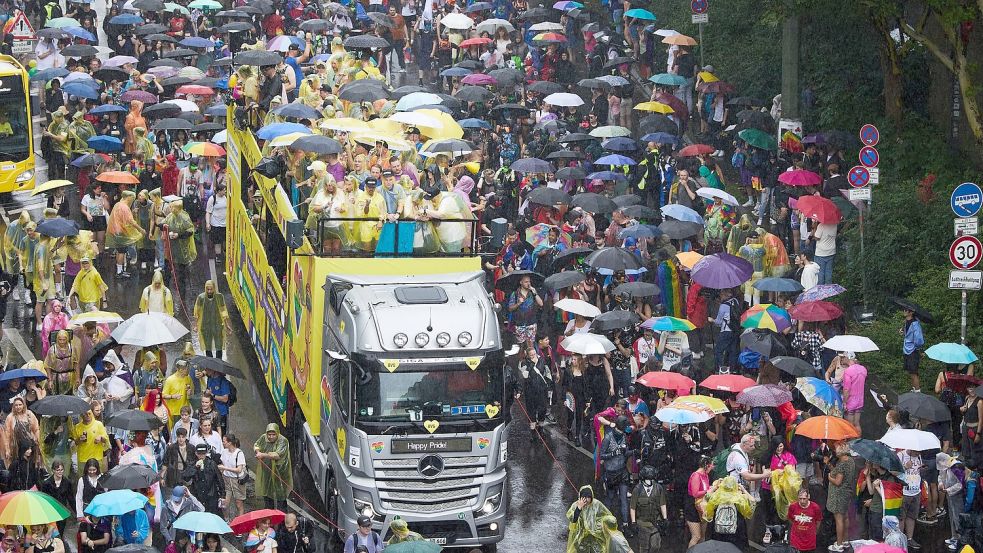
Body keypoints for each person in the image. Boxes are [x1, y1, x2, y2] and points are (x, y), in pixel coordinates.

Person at [599, 415, 631, 528]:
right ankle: (604, 522)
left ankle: (626, 524)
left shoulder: (624, 437)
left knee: (624, 499)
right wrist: (613, 453)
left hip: (622, 472)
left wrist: (633, 452)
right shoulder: (608, 437)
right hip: (611, 473)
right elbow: (601, 455)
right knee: (610, 497)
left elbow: (626, 453)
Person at [826, 442, 858, 552]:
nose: (835, 451)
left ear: (841, 450)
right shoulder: (850, 461)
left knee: (839, 519)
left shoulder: (842, 463)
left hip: (839, 495)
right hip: (847, 493)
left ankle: (839, 545)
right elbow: (839, 473)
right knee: (845, 517)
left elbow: (838, 481)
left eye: (836, 448)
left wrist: (829, 478)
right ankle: (845, 540)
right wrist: (830, 465)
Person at [517, 345, 552, 439]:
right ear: (528, 355)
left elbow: (548, 374)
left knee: (542, 409)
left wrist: (549, 387)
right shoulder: (524, 363)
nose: (533, 356)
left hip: (542, 390)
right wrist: (519, 390)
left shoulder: (542, 361)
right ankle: (533, 432)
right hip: (530, 391)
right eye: (531, 355)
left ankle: (541, 428)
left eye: (534, 354)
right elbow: (523, 377)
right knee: (531, 410)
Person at [254, 423, 291, 511]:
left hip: (280, 471)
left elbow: (277, 455)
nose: (271, 437)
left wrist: (262, 454)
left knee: (280, 494)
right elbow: (257, 444)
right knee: (267, 493)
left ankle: (281, 517)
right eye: (269, 434)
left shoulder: (283, 441)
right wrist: (257, 451)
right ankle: (269, 515)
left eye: (273, 434)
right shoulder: (264, 437)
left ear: (277, 433)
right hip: (267, 470)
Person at [629, 465, 667, 553]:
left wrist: (665, 518)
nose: (650, 481)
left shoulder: (658, 488)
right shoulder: (637, 489)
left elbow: (662, 504)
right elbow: (632, 507)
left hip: (655, 523)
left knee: (656, 545)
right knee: (644, 548)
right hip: (642, 524)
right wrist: (634, 522)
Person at [182, 443, 225, 516]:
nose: (201, 456)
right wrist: (195, 468)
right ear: (196, 453)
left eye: (203, 454)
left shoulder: (212, 463)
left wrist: (222, 495)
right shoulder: (192, 463)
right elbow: (186, 477)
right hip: (197, 494)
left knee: (212, 516)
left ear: (206, 453)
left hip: (211, 495)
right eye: (199, 454)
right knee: (197, 515)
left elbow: (219, 480)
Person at [566, 486, 612, 553]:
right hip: (580, 537)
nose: (586, 501)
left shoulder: (596, 504)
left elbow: (606, 515)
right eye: (585, 498)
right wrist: (578, 508)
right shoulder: (575, 505)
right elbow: (573, 519)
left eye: (589, 498)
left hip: (594, 536)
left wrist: (599, 526)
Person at [193, 280, 231, 359]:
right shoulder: (201, 298)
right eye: (208, 289)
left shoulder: (219, 297)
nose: (209, 291)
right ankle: (210, 362)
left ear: (214, 288)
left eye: (211, 289)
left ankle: (218, 362)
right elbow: (197, 312)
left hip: (218, 325)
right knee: (207, 345)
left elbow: (223, 311)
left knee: (219, 345)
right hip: (205, 326)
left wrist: (227, 325)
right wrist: (196, 325)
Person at [507, 275, 543, 348]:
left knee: (531, 344)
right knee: (521, 345)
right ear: (521, 282)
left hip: (531, 322)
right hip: (519, 322)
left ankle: (532, 358)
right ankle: (522, 359)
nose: (528, 283)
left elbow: (541, 303)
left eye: (529, 281)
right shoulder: (515, 294)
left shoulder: (532, 293)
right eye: (526, 282)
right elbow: (510, 308)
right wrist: (518, 303)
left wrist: (535, 292)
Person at [686, 456, 713, 547]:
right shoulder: (696, 476)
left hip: (703, 506)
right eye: (711, 466)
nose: (712, 468)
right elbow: (695, 493)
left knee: (702, 536)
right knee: (696, 536)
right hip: (693, 507)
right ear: (707, 466)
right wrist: (708, 491)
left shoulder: (706, 475)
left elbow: (707, 489)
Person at [72, 406, 109, 471]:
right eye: (85, 414)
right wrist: (79, 439)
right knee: (83, 479)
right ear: (82, 415)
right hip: (83, 459)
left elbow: (105, 440)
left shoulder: (98, 424)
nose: (88, 416)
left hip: (96, 458)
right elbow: (75, 442)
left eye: (89, 413)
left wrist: (100, 438)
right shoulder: (77, 427)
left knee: (96, 479)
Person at [787, 488, 822, 553]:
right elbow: (790, 519)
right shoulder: (792, 507)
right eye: (800, 498)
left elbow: (818, 521)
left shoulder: (815, 508)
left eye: (804, 498)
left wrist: (814, 532)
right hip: (796, 540)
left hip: (809, 541)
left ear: (808, 496)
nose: (802, 501)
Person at [162, 360, 193, 427]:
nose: (188, 371)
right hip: (173, 412)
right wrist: (173, 396)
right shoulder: (170, 380)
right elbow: (163, 395)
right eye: (186, 369)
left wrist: (189, 393)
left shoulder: (188, 378)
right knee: (174, 432)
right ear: (180, 369)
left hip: (185, 411)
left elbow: (191, 394)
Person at [901, 307, 925, 392]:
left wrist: (919, 349)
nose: (904, 311)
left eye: (906, 310)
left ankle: (918, 392)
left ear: (911, 312)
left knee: (914, 372)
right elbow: (907, 334)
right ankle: (914, 389)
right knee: (910, 372)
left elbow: (919, 340)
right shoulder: (905, 322)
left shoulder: (915, 323)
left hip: (913, 351)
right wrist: (903, 332)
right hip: (906, 349)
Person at [841, 360, 867, 434]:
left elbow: (846, 389)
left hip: (850, 402)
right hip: (860, 401)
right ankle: (859, 442)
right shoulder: (863, 369)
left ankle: (851, 444)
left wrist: (844, 403)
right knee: (857, 423)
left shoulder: (848, 372)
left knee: (849, 426)